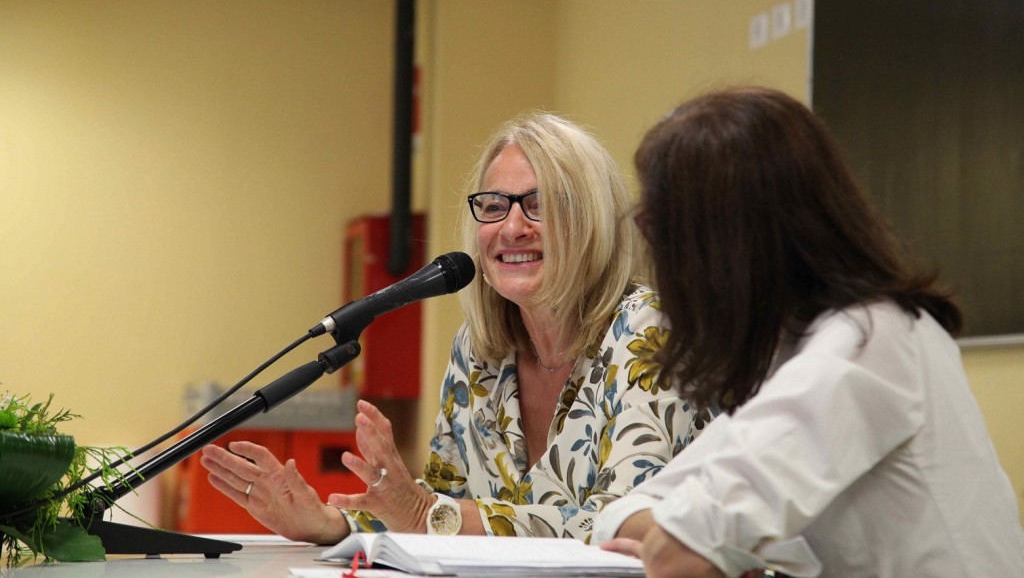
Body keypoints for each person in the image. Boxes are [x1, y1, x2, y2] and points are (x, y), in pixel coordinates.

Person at [200, 111, 713, 544]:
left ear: (592, 219)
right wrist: (332, 524)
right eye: (494, 206)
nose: (512, 227)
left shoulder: (650, 330)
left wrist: (427, 513)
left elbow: (625, 529)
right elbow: (443, 502)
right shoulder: (479, 350)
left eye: (539, 205)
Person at [594, 87, 1024, 577]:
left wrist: (704, 547)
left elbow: (678, 554)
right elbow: (622, 515)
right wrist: (705, 546)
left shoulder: (869, 341)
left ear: (723, 240)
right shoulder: (797, 347)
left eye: (659, 228)